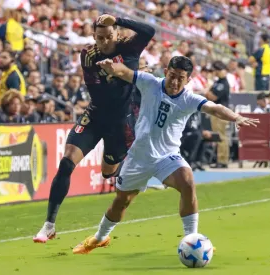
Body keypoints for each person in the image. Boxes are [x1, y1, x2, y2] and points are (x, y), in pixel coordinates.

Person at [72, 56, 258, 254]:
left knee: (187, 181)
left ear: (188, 80)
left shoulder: (189, 99)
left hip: (167, 157)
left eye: (181, 78)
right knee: (122, 201)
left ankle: (191, 239)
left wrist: (236, 117)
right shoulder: (150, 83)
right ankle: (99, 238)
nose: (175, 81)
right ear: (165, 71)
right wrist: (112, 67)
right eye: (172, 75)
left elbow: (215, 108)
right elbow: (125, 72)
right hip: (138, 157)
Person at [33, 14, 155, 243]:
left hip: (120, 124)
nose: (105, 42)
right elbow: (99, 93)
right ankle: (49, 225)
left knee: (108, 173)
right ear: (93, 37)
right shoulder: (88, 55)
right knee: (67, 160)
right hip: (96, 116)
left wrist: (118, 18)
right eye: (100, 38)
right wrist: (120, 74)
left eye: (109, 36)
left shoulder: (130, 48)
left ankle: (131, 178)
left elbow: (149, 30)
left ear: (117, 34)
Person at [205, 61, 230, 168]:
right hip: (216, 112)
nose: (216, 72)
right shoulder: (217, 82)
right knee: (218, 136)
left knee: (221, 136)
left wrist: (207, 89)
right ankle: (220, 159)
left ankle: (223, 160)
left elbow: (212, 97)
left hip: (221, 113)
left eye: (218, 70)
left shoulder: (223, 83)